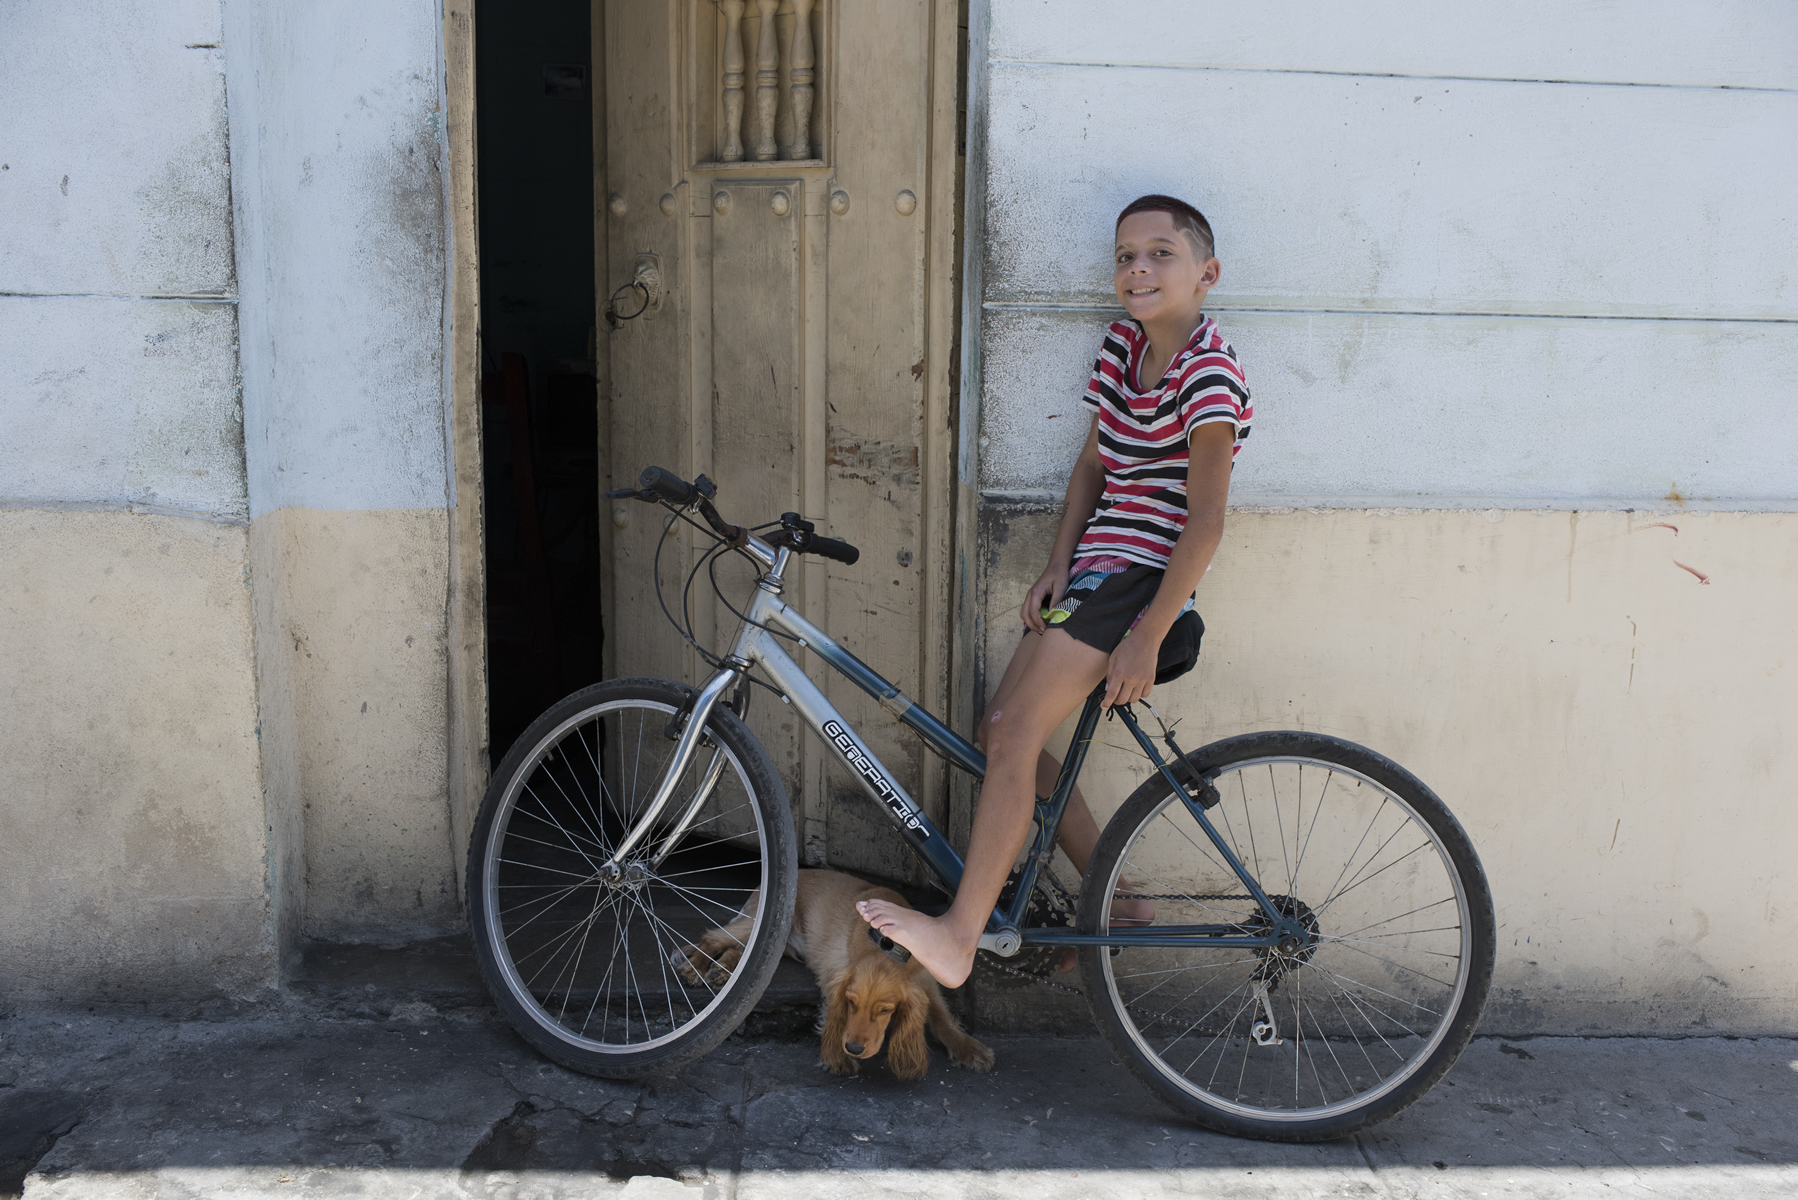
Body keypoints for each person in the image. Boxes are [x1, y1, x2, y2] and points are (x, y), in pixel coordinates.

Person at [858, 194, 1252, 988]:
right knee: (1004, 736)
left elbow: (1205, 521)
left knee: (1008, 734)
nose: (1138, 269)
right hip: (1096, 572)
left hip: (1141, 578)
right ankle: (1124, 901)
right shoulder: (1119, 350)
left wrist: (1147, 631)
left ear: (1206, 274)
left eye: (1160, 254)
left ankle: (958, 937)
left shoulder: (1209, 372)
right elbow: (1093, 467)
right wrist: (1054, 565)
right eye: (1125, 256)